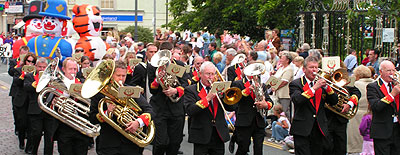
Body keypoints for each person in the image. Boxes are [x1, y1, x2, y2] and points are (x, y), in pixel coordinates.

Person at [89, 60, 154, 155]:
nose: (121, 79)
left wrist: (137, 122)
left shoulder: (131, 91)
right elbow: (92, 118)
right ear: (111, 76)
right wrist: (106, 113)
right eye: (118, 76)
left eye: (123, 76)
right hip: (108, 143)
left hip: (130, 144)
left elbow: (149, 110)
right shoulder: (99, 94)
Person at [289, 56, 339, 155]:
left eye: (316, 68)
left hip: (319, 127)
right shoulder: (296, 84)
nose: (314, 70)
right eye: (311, 67)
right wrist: (314, 88)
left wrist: (328, 88)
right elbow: (297, 100)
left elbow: (334, 101)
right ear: (304, 69)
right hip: (302, 128)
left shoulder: (322, 85)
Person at [184, 61, 234, 154]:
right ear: (200, 74)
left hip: (218, 133)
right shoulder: (191, 90)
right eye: (208, 74)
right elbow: (190, 110)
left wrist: (225, 97)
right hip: (201, 134)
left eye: (213, 74)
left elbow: (231, 107)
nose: (211, 77)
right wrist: (207, 99)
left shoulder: (219, 88)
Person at [149, 42, 189, 155]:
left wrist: (176, 90)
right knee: (161, 142)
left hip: (176, 108)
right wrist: (157, 80)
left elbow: (186, 84)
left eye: (170, 53)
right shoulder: (153, 66)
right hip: (159, 108)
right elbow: (152, 89)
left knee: (175, 142)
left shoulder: (180, 65)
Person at [231, 62, 274, 155]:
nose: (255, 75)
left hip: (259, 121)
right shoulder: (238, 83)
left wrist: (265, 105)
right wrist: (248, 89)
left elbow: (269, 100)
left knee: (259, 149)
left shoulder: (261, 85)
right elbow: (235, 100)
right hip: (244, 121)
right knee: (243, 148)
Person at [52, 58, 91, 155]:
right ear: (64, 69)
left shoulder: (82, 82)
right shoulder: (57, 83)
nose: (73, 72)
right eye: (70, 69)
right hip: (64, 127)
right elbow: (49, 103)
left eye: (75, 69)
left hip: (81, 126)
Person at [366, 60, 400, 155]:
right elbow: (376, 107)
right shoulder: (373, 87)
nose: (392, 73)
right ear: (381, 72)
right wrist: (392, 94)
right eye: (389, 71)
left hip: (396, 129)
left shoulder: (395, 85)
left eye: (393, 70)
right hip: (382, 131)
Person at [24, 57, 56, 155]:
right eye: (39, 67)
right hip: (35, 110)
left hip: (49, 110)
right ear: (35, 66)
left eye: (44, 67)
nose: (41, 69)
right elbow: (26, 86)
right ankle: (33, 151)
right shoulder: (30, 76)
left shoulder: (52, 77)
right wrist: (37, 84)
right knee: (36, 134)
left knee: (49, 137)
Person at [13, 52, 37, 152]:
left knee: (32, 126)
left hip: (31, 101)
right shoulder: (18, 70)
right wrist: (23, 75)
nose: (30, 63)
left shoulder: (37, 72)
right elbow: (16, 82)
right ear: (25, 61)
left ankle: (30, 147)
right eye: (29, 61)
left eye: (33, 62)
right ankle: (21, 141)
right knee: (21, 123)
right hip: (21, 100)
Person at [347, 65, 373, 154]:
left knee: (355, 146)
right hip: (371, 116)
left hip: (356, 116)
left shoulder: (355, 84)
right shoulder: (375, 83)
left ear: (357, 75)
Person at [272, 51, 294, 120]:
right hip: (278, 93)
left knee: (284, 111)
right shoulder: (281, 68)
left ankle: (287, 126)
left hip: (284, 94)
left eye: (282, 58)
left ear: (287, 60)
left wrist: (275, 87)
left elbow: (284, 81)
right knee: (278, 110)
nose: (280, 59)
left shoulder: (289, 69)